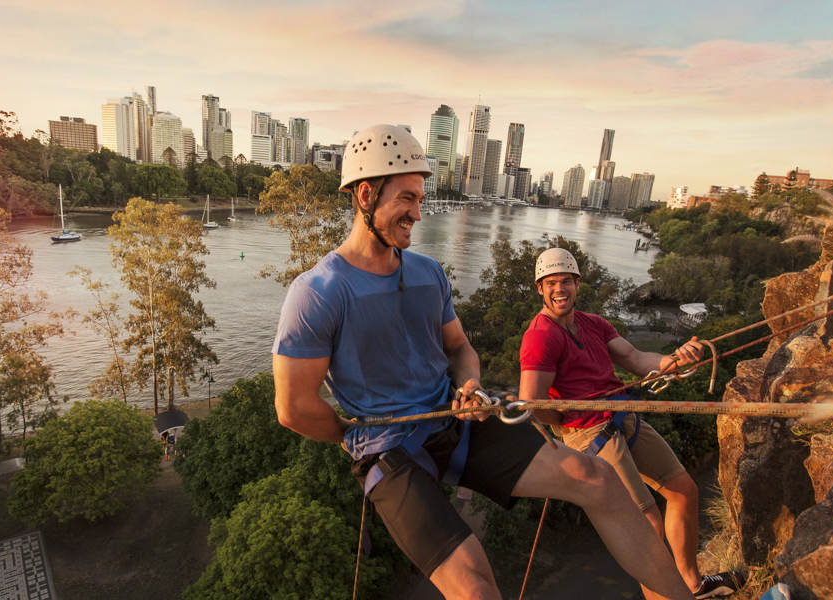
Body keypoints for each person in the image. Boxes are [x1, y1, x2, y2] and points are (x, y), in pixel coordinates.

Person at [272, 124, 692, 600]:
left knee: (597, 478)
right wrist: (354, 435)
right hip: (389, 451)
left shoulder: (429, 273)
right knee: (475, 589)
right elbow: (293, 407)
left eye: (420, 199)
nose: (418, 212)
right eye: (407, 199)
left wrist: (469, 384)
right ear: (366, 194)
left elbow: (459, 348)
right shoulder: (318, 292)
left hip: (456, 420)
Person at [518, 247, 744, 599]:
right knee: (645, 524)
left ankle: (693, 585)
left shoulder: (594, 324)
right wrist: (568, 419)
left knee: (683, 489)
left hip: (622, 416)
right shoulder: (540, 336)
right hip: (588, 433)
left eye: (565, 281)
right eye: (550, 283)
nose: (559, 289)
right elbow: (532, 402)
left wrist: (675, 360)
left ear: (577, 284)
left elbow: (638, 359)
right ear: (540, 289)